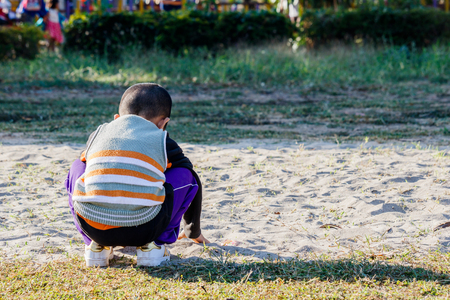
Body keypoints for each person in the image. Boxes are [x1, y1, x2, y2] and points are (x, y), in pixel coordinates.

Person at [65, 83, 209, 267]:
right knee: (187, 176)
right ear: (163, 123)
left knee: (78, 166)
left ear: (117, 118)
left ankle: (95, 247)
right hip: (145, 230)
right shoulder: (161, 138)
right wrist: (193, 232)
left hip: (93, 228)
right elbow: (190, 178)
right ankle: (155, 246)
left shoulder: (98, 134)